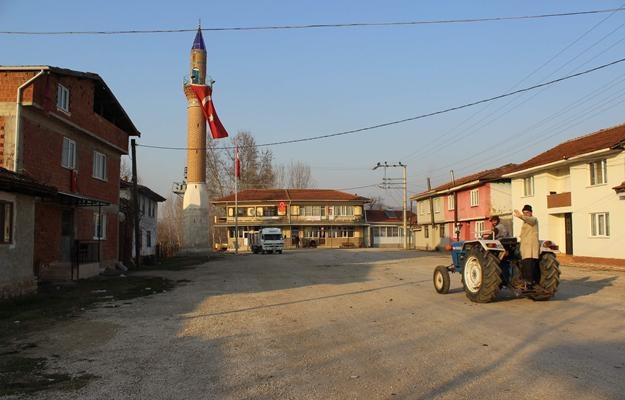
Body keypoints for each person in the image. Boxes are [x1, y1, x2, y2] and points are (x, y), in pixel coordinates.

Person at [514, 204, 540, 284]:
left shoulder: (533, 219)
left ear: (531, 213)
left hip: (530, 247)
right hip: (525, 246)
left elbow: (529, 220)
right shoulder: (526, 222)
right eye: (524, 212)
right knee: (525, 264)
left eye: (527, 212)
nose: (525, 214)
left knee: (528, 264)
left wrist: (520, 216)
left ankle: (529, 282)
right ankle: (526, 280)